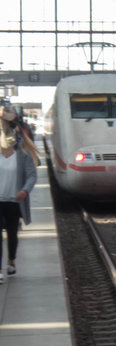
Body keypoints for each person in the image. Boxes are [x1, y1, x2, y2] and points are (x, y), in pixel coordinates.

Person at [0, 103, 37, 278]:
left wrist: (25, 190)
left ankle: (11, 260)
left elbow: (31, 175)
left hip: (14, 201)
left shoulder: (23, 154)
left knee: (12, 234)